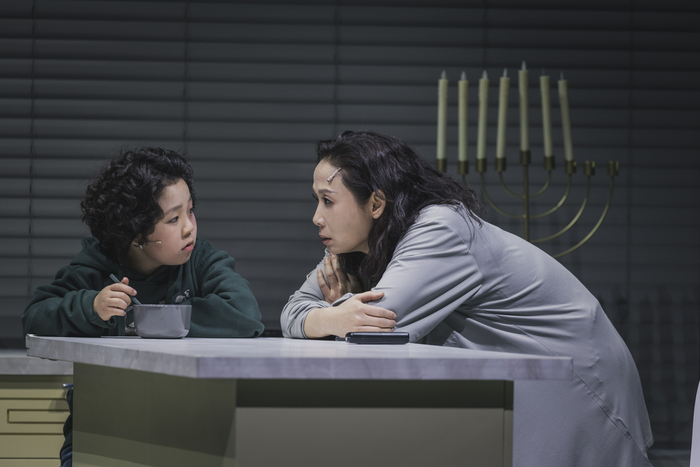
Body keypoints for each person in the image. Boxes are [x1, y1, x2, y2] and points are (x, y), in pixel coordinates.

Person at [280, 131, 653, 467]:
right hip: (525, 378)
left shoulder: (439, 227)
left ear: (376, 203)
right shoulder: (355, 247)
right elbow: (292, 311)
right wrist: (333, 318)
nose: (317, 217)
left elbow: (376, 326)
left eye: (328, 201)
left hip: (575, 377)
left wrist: (336, 312)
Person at [23, 147, 264, 467]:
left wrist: (150, 320)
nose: (189, 227)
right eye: (173, 219)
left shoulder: (202, 260)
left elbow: (245, 313)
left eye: (190, 211)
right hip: (99, 434)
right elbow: (35, 316)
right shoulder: (95, 268)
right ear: (135, 234)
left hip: (184, 436)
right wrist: (91, 307)